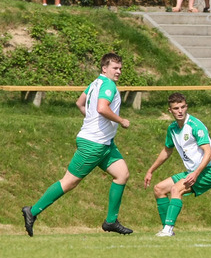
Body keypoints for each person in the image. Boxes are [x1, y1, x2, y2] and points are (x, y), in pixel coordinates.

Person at [22, 53, 133, 237]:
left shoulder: (95, 83)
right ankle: (32, 211)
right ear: (104, 68)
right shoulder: (108, 85)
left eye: (120, 68)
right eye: (115, 68)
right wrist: (121, 120)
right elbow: (102, 108)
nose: (119, 71)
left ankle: (111, 221)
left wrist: (92, 121)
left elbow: (80, 103)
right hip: (94, 144)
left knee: (122, 174)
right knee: (69, 182)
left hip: (104, 143)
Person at [144, 93, 211, 237]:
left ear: (186, 107)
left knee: (176, 189)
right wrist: (150, 170)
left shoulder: (195, 126)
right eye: (176, 108)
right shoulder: (172, 129)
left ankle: (168, 230)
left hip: (210, 170)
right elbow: (167, 151)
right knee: (159, 189)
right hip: (194, 171)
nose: (180, 111)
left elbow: (208, 153)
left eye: (182, 107)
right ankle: (167, 229)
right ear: (170, 110)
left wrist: (196, 174)